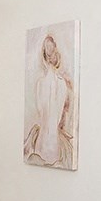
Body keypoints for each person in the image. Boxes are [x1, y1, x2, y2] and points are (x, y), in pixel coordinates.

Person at [24, 34, 74, 168]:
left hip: (41, 144)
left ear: (44, 57)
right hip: (54, 145)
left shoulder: (40, 84)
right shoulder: (62, 84)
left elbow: (41, 111)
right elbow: (58, 117)